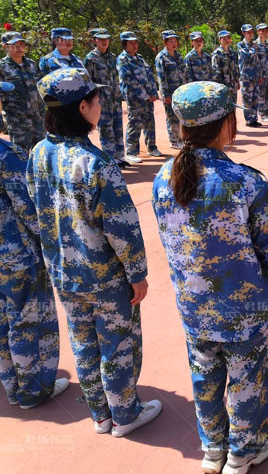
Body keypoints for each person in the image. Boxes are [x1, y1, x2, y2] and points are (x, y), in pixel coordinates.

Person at [153, 81, 268, 474]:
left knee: (205, 377)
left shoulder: (165, 177)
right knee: (249, 380)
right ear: (227, 125)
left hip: (194, 304)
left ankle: (214, 448)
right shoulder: (246, 181)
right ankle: (243, 452)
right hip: (244, 307)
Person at [27, 68, 160, 436]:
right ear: (82, 107)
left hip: (64, 273)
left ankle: (100, 414)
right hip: (104, 275)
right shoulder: (96, 163)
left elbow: (35, 209)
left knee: (83, 340)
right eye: (97, 100)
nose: (101, 105)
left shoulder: (38, 153)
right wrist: (138, 274)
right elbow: (122, 227)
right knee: (117, 344)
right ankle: (125, 414)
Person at [0, 80, 67, 410]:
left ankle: (12, 384)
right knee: (27, 320)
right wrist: (52, 246)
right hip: (15, 257)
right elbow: (29, 210)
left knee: (2, 323)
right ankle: (32, 390)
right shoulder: (6, 155)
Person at [84, 28, 127, 167]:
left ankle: (120, 157)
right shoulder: (91, 58)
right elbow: (88, 81)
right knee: (106, 130)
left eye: (106, 39)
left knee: (118, 128)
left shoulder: (112, 57)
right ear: (94, 40)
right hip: (101, 101)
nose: (104, 41)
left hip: (115, 100)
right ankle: (109, 159)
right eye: (101, 39)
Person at [117, 31, 160, 163]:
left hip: (148, 98)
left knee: (149, 122)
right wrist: (145, 95)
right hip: (135, 98)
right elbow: (128, 79)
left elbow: (150, 75)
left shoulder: (140, 58)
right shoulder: (122, 60)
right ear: (125, 44)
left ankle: (152, 148)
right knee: (135, 123)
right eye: (131, 43)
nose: (135, 45)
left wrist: (153, 92)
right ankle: (131, 152)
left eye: (136, 42)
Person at [0, 31, 46, 151]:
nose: (19, 47)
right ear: (5, 46)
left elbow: (41, 88)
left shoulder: (32, 64)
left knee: (40, 153)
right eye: (15, 45)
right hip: (18, 122)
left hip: (38, 119)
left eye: (21, 44)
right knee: (21, 155)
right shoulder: (2, 67)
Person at [155, 30, 186, 149]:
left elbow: (184, 73)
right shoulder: (161, 57)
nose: (174, 43)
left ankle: (181, 139)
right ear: (165, 42)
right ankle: (174, 140)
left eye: (175, 40)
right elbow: (161, 78)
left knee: (181, 116)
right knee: (172, 117)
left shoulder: (178, 56)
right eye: (170, 41)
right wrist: (165, 95)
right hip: (170, 93)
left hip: (181, 92)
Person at [238, 24, 263, 126]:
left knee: (255, 99)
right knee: (247, 100)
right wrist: (252, 49)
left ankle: (254, 119)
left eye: (251, 32)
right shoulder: (241, 45)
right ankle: (248, 120)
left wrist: (260, 75)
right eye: (248, 32)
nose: (250, 34)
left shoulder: (255, 45)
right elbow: (246, 57)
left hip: (255, 76)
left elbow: (258, 61)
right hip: (246, 77)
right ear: (243, 33)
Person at [212, 30, 240, 101]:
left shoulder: (233, 53)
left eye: (228, 38)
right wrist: (222, 87)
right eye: (224, 38)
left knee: (233, 110)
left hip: (233, 87)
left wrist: (237, 81)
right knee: (224, 110)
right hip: (223, 89)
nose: (227, 40)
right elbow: (216, 74)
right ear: (219, 40)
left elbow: (236, 68)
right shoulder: (217, 54)